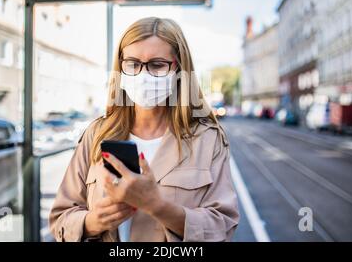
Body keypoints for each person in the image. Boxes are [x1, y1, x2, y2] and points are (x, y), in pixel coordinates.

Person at [49, 17, 239, 242]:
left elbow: (223, 227)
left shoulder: (207, 139)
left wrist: (156, 206)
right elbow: (60, 218)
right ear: (120, 67)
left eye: (157, 65)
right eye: (132, 64)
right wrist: (92, 222)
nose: (143, 76)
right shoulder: (97, 134)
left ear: (179, 68)